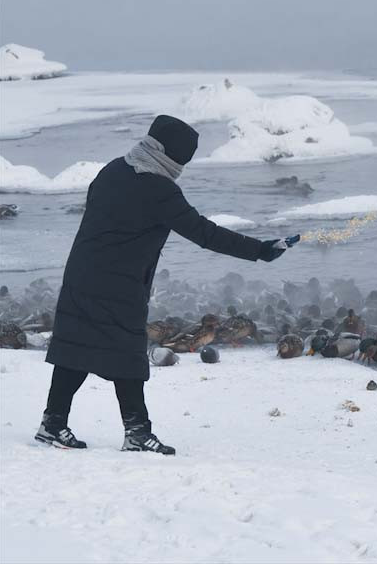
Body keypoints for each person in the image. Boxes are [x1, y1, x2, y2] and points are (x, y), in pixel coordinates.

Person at [36, 115, 290, 455]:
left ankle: (52, 425)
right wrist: (258, 250)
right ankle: (137, 433)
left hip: (82, 273)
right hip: (117, 284)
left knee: (77, 350)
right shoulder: (159, 189)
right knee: (127, 357)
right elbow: (204, 233)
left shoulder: (114, 169)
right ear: (173, 155)